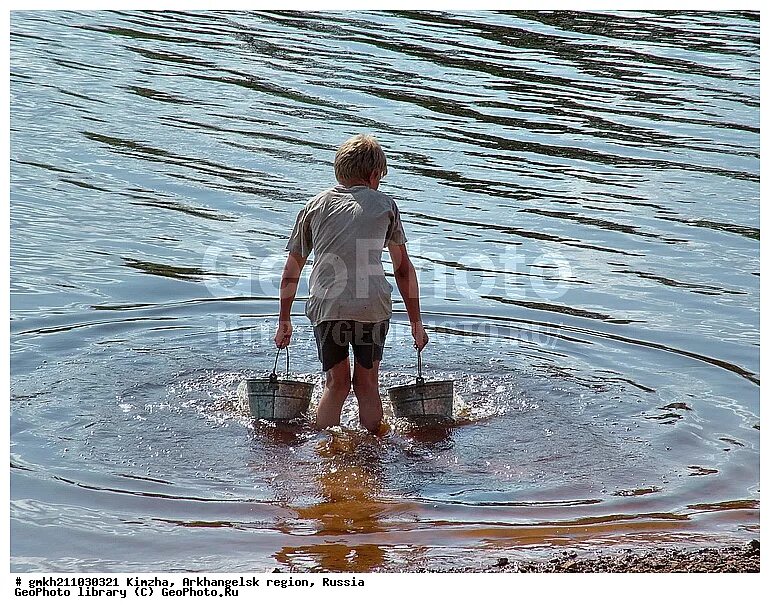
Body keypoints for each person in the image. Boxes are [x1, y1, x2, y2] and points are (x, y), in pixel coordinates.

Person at [274, 134, 428, 433]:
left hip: (328, 306)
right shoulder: (386, 205)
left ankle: (326, 448)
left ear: (339, 170)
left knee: (336, 384)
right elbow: (403, 271)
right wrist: (416, 322)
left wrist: (284, 319)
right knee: (368, 383)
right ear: (374, 175)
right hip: (372, 306)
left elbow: (291, 270)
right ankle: (373, 447)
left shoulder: (313, 206)